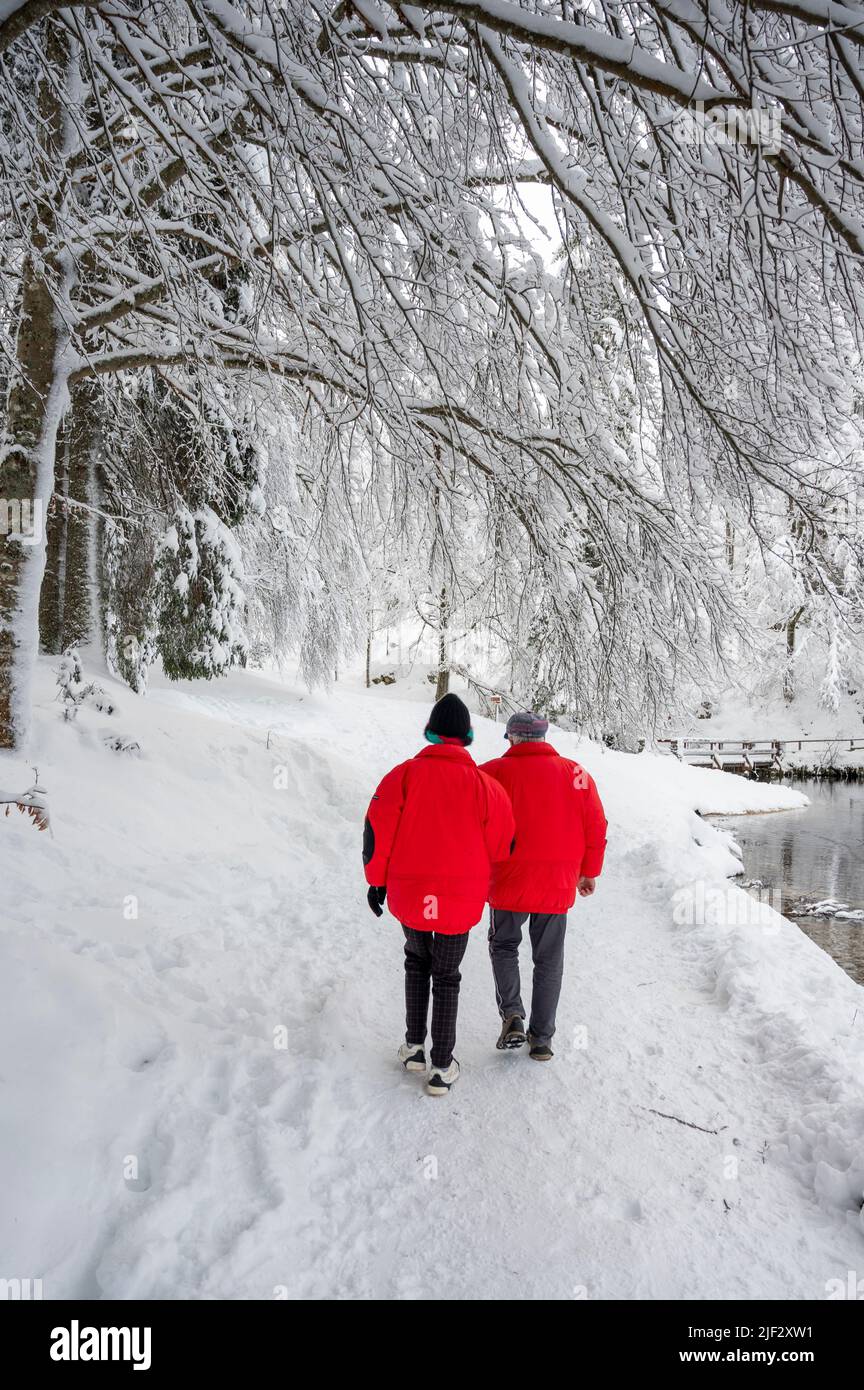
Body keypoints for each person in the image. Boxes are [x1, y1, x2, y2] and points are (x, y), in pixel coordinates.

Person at [363, 693, 515, 1096]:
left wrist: (376, 881)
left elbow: (377, 832)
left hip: (411, 895)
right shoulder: (488, 787)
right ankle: (441, 1066)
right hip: (459, 899)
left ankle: (414, 1047)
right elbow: (502, 847)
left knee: (416, 962)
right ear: (466, 736)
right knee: (446, 977)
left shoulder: (403, 776)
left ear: (430, 731)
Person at [480, 710, 607, 1062]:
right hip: (557, 881)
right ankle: (542, 1039)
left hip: (507, 878)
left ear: (513, 738)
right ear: (544, 738)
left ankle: (513, 1015)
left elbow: (475, 823)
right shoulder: (577, 774)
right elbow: (596, 825)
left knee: (504, 945)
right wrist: (588, 871)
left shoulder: (491, 773)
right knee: (549, 959)